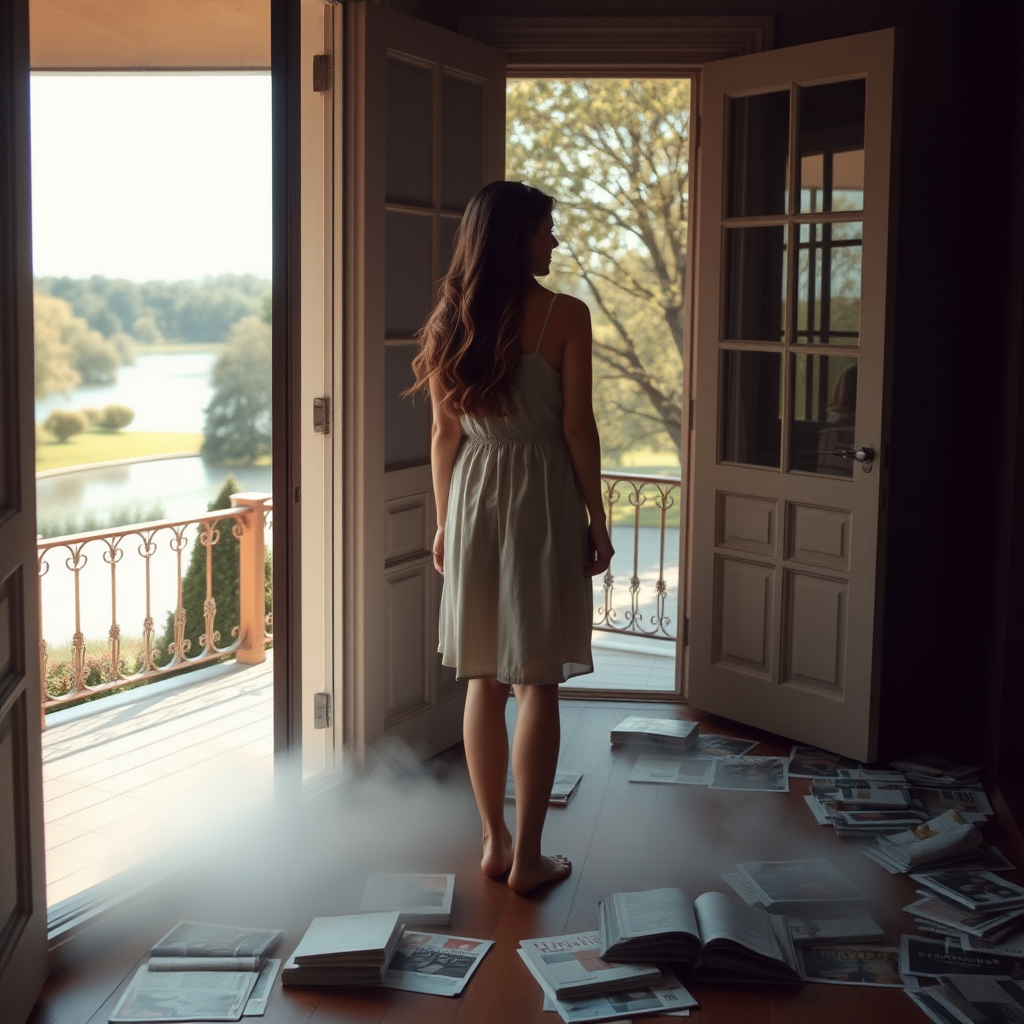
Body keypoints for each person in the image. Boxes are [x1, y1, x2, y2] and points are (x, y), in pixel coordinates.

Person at [409, 181, 613, 895]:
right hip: (539, 498)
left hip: (473, 493)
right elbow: (576, 429)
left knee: (484, 679)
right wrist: (598, 517)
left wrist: (443, 523)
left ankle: (493, 844)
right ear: (517, 236)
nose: (554, 242)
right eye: (546, 230)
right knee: (537, 680)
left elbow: (443, 435)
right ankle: (528, 859)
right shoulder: (565, 315)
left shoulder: (449, 322)